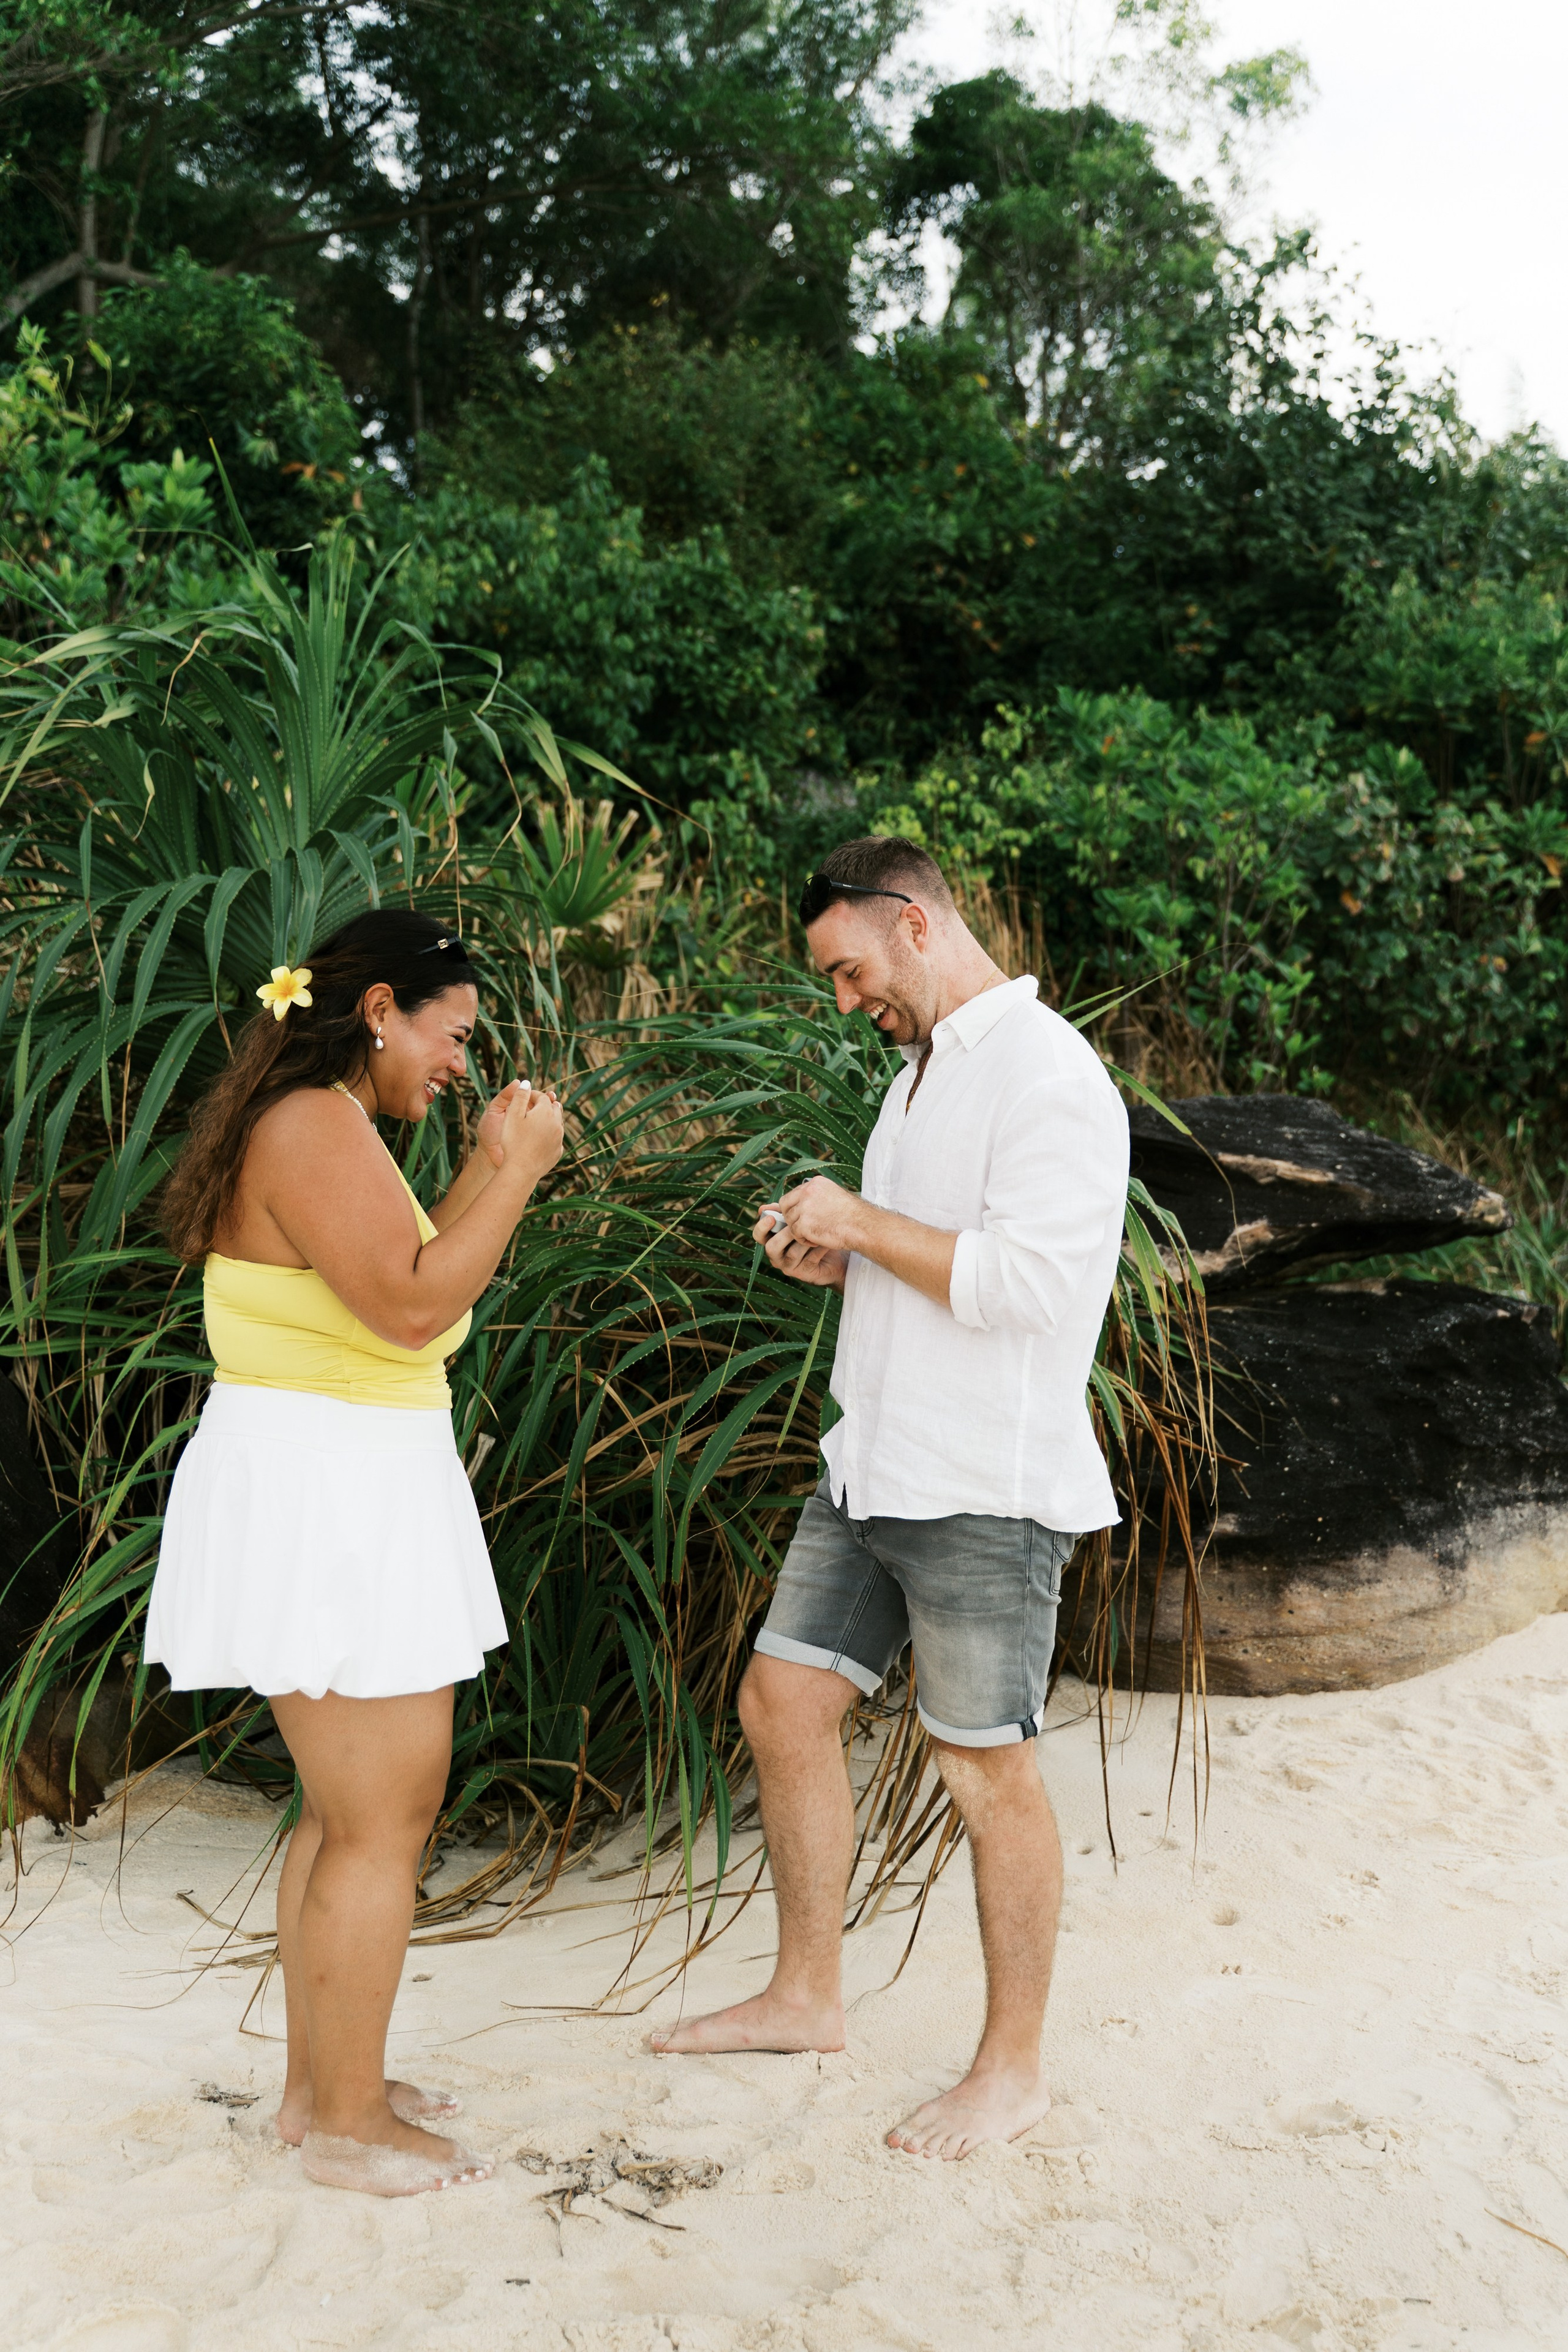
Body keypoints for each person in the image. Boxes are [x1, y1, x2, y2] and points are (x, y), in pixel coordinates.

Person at [652, 838, 1129, 2162]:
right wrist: (839, 1259)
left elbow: (1032, 1290)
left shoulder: (1048, 1077)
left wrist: (860, 1224)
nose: (844, 998)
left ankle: (1011, 2069)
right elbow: (934, 1263)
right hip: (871, 1465)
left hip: (981, 1482)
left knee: (985, 1771)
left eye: (848, 969)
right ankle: (806, 1997)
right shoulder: (916, 1079)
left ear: (913, 923)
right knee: (781, 1700)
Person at [146, 908, 564, 2198]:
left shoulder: (325, 1119)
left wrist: (482, 1168)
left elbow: (405, 1270)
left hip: (338, 1477)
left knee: (349, 1815)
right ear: (378, 1007)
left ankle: (326, 2091)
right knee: (384, 1818)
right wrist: (521, 1171)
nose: (457, 1064)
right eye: (451, 1036)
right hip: (328, 1488)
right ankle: (342, 2126)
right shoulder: (314, 1124)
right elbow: (413, 1307)